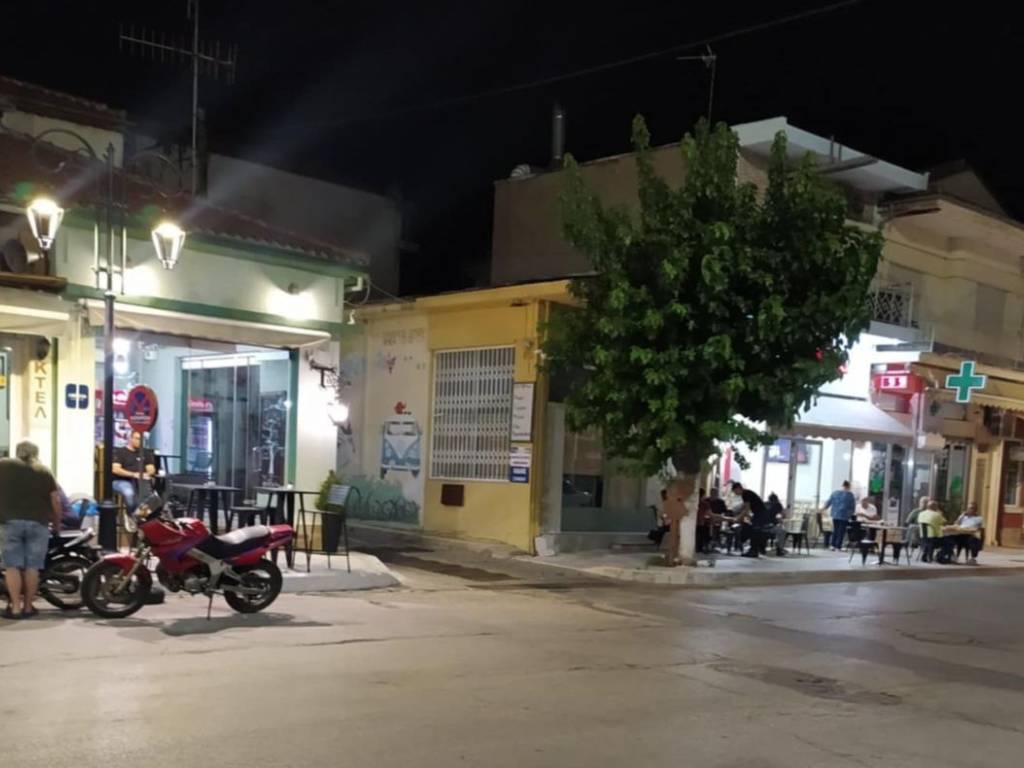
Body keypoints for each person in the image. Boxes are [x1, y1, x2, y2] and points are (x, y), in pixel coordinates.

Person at [0, 440, 62, 619]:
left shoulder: (4, 465)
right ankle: (28, 606)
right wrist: (57, 523)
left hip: (9, 522)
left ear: (17, 451)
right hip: (38, 524)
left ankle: (15, 608)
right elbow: (55, 500)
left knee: (12, 566)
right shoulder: (44, 471)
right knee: (33, 567)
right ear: (36, 453)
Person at [111, 431, 157, 514]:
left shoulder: (146, 453)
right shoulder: (120, 452)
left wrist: (146, 474)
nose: (139, 441)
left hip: (141, 481)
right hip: (122, 480)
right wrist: (134, 475)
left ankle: (143, 515)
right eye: (137, 439)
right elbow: (115, 469)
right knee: (129, 493)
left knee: (152, 495)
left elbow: (151, 469)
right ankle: (133, 515)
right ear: (130, 438)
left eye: (141, 439)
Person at [731, 482, 771, 558]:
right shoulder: (746, 493)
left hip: (761, 514)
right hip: (759, 513)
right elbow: (747, 508)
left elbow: (747, 509)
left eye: (735, 491)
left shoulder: (745, 494)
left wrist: (738, 518)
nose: (735, 493)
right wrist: (748, 517)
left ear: (738, 488)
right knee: (756, 531)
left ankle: (753, 551)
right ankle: (756, 549)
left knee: (755, 531)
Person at [821, 481, 856, 551]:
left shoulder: (835, 493)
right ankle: (838, 546)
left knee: (835, 530)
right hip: (844, 515)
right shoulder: (850, 495)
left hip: (835, 514)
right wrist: (851, 514)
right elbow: (852, 506)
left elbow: (829, 502)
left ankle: (832, 545)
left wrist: (823, 508)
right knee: (841, 531)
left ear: (842, 485)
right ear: (848, 486)